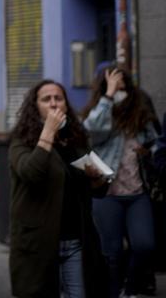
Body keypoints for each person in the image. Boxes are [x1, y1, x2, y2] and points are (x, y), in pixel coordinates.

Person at [9, 79, 109, 298]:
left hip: (75, 239)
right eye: (46, 99)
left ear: (65, 104)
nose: (54, 104)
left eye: (58, 98)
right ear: (35, 107)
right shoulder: (21, 141)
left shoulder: (76, 139)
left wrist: (97, 180)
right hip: (39, 243)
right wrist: (47, 133)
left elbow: (98, 191)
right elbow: (31, 173)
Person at [81, 65, 160, 298]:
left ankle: (131, 288)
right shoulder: (98, 113)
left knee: (145, 245)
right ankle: (114, 292)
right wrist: (108, 97)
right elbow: (92, 130)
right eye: (114, 85)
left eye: (122, 85)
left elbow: (156, 142)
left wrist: (148, 150)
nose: (119, 90)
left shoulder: (140, 112)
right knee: (112, 252)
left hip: (137, 192)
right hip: (107, 194)